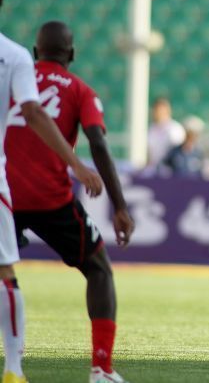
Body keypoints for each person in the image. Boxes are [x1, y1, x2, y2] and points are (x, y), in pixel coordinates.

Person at [5, 21, 133, 383]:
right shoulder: (80, 90)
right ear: (72, 54)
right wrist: (120, 206)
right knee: (98, 269)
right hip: (51, 199)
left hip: (5, 194)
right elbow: (98, 143)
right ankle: (101, 368)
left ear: (35, 52)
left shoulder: (12, 78)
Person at [0, 0, 102, 383]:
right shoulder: (13, 56)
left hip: (11, 184)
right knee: (6, 273)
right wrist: (75, 163)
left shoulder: (22, 58)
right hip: (15, 187)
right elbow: (34, 112)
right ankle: (13, 370)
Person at [146, 97, 185, 172]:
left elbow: (178, 153)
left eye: (160, 110)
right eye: (156, 110)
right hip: (155, 169)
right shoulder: (151, 129)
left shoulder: (175, 129)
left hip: (170, 170)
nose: (157, 113)